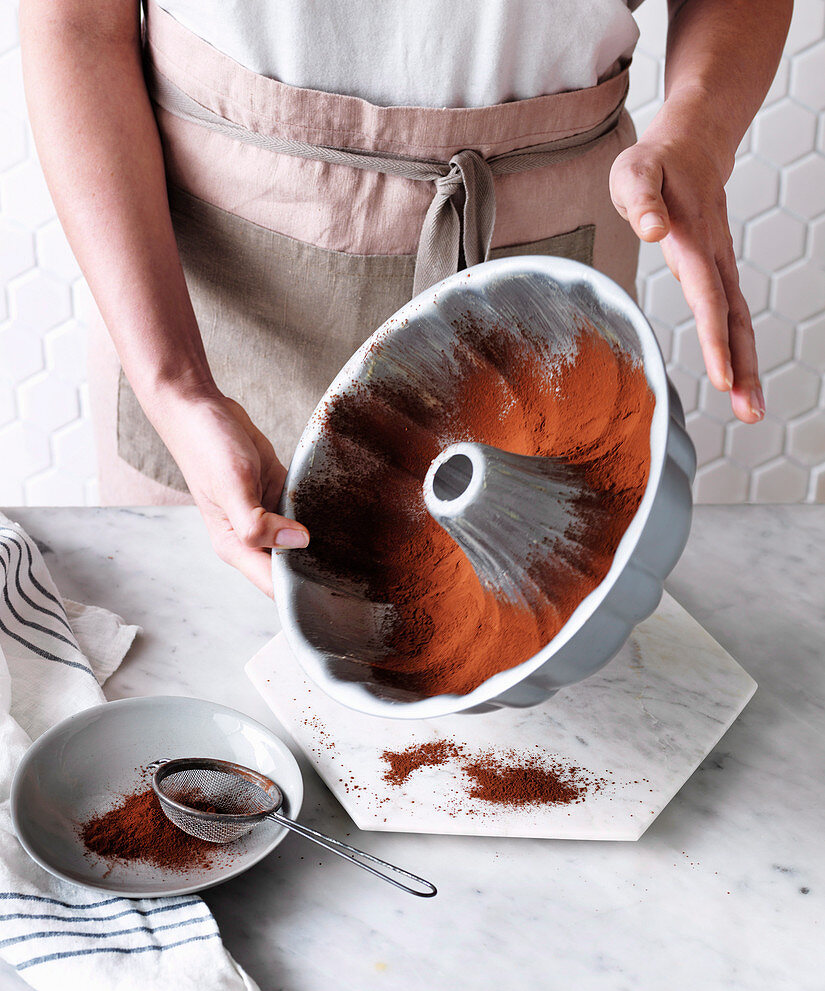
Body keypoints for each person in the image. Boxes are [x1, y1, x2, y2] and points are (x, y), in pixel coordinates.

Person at [20, 0, 792, 595]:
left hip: (540, 253)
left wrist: (698, 131)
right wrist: (175, 383)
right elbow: (78, 19)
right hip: (211, 295)